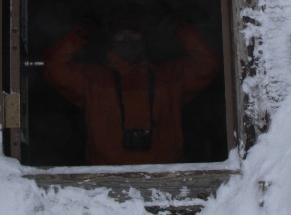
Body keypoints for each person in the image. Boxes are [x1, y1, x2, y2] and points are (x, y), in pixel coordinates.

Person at [42, 10, 220, 166]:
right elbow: (54, 66)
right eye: (120, 34)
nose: (127, 39)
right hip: (105, 177)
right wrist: (83, 31)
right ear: (109, 40)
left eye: (134, 33)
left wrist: (177, 26)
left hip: (164, 175)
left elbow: (207, 62)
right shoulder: (92, 78)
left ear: (144, 39)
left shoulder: (169, 76)